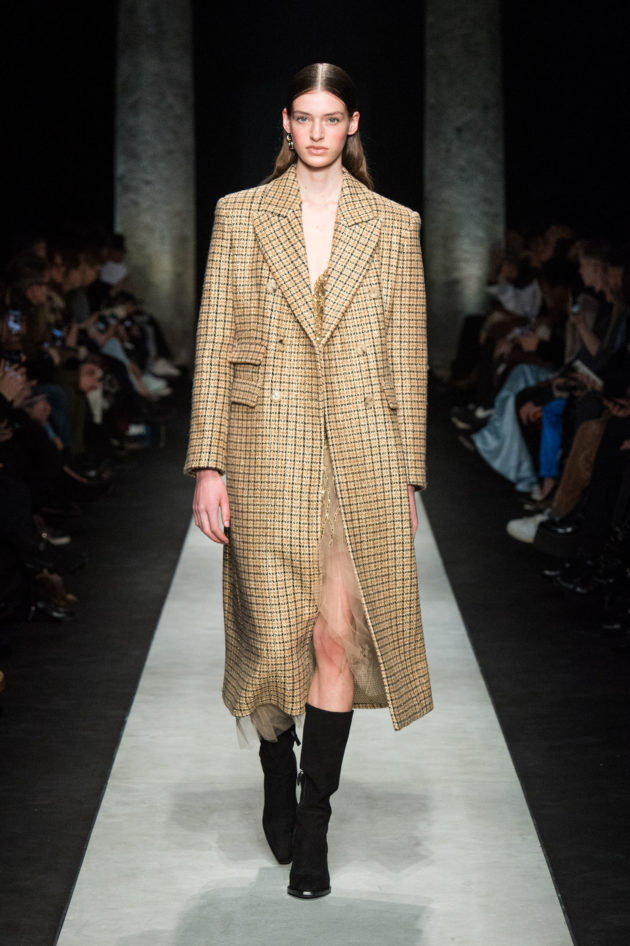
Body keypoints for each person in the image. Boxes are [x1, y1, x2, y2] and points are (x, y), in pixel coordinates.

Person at [185, 62, 431, 900]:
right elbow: (215, 341)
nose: (318, 132)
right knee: (272, 635)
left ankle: (315, 821)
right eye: (304, 116)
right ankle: (273, 758)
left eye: (332, 117)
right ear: (285, 124)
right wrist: (208, 464)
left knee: (335, 638)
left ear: (352, 123)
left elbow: (407, 356)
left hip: (361, 450)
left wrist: (408, 474)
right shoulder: (241, 214)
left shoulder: (393, 224)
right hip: (265, 444)